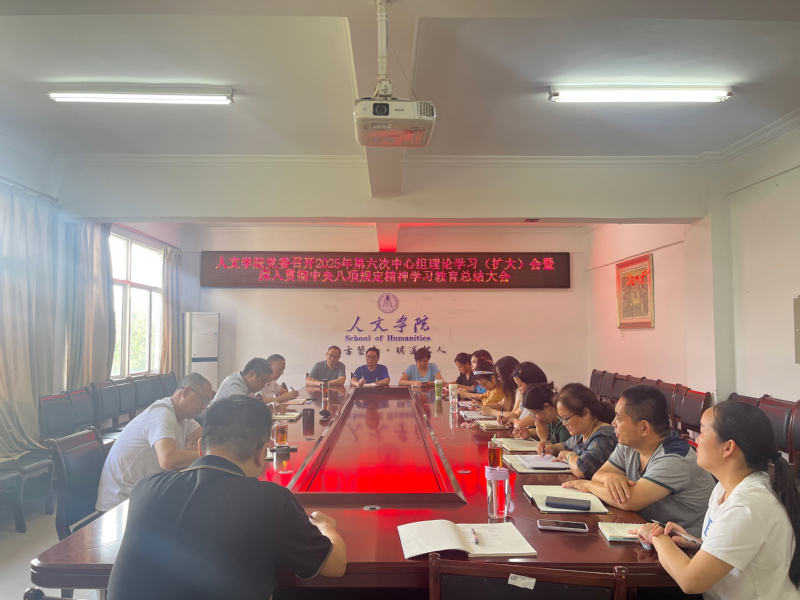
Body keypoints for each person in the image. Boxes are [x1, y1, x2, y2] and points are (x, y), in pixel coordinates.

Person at [106, 396, 347, 600]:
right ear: (262, 452)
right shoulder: (271, 500)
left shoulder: (145, 488)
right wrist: (326, 527)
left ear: (200, 448)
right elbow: (335, 566)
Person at [631, 402, 800, 599]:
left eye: (702, 432)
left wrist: (655, 535)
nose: (696, 439)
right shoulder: (725, 487)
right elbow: (737, 549)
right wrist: (696, 543)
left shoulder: (747, 506)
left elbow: (690, 581)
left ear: (728, 447)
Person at [562, 385, 715, 537]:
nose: (613, 423)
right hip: (650, 533)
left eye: (619, 418)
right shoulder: (628, 444)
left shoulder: (674, 458)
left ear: (644, 428)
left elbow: (629, 501)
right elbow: (598, 475)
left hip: (685, 544)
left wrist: (587, 485)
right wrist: (611, 478)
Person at [96, 372, 211, 512]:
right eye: (203, 400)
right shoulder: (162, 414)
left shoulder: (183, 416)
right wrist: (206, 453)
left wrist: (205, 450)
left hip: (144, 494)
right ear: (186, 392)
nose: (204, 407)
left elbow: (209, 441)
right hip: (120, 504)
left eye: (207, 403)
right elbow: (168, 460)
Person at [538, 383, 617, 479]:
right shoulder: (582, 432)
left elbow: (583, 470)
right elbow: (565, 445)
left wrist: (568, 455)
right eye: (561, 419)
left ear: (586, 413)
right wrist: (552, 448)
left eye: (566, 419)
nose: (564, 424)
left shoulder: (604, 436)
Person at [512, 382, 571, 447]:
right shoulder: (551, 420)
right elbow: (545, 432)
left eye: (534, 413)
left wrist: (544, 440)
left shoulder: (564, 425)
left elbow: (560, 451)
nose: (533, 417)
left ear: (547, 407)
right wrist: (528, 434)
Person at [498, 361, 548, 425]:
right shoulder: (526, 398)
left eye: (520, 386)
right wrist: (506, 418)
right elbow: (516, 414)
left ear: (531, 383)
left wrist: (515, 421)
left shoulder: (539, 401)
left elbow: (521, 424)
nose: (519, 389)